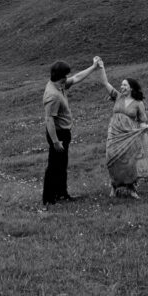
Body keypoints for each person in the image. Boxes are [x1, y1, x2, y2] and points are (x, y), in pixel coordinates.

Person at [42, 57, 101, 205]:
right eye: (65, 75)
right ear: (60, 77)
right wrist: (55, 141)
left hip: (63, 133)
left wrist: (93, 67)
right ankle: (48, 198)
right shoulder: (53, 95)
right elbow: (49, 119)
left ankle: (62, 194)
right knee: (54, 167)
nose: (67, 77)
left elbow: (77, 78)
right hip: (58, 134)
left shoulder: (59, 85)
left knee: (61, 166)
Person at [96, 58, 148, 199]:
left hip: (129, 136)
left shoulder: (138, 103)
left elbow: (143, 120)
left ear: (131, 88)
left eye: (125, 85)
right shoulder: (117, 96)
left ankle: (131, 188)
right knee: (112, 159)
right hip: (114, 134)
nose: (122, 87)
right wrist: (101, 67)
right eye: (121, 85)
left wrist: (144, 128)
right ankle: (114, 186)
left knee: (129, 162)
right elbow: (104, 82)